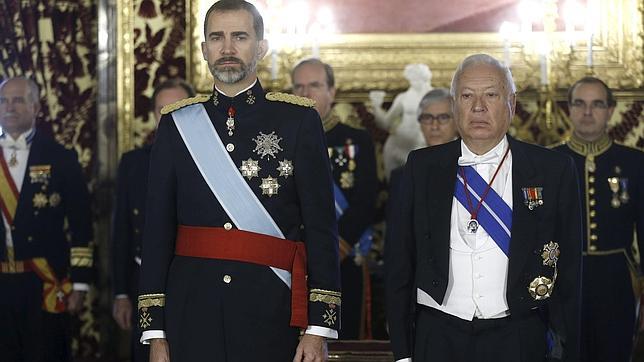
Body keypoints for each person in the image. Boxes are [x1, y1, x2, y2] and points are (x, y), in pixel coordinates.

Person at [137, 1, 341, 361]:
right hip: (192, 312)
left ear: (260, 47)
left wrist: (318, 328)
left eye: (240, 37)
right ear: (204, 49)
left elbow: (322, 229)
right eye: (217, 38)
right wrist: (155, 331)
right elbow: (156, 232)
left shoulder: (298, 121)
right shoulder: (177, 125)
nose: (227, 48)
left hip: (273, 312)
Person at [385, 54, 582, 362]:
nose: (478, 107)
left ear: (512, 104)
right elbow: (399, 264)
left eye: (491, 94)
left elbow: (570, 269)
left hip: (518, 336)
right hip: (438, 337)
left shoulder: (552, 169)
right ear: (454, 105)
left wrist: (567, 348)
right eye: (467, 96)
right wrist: (402, 353)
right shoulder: (421, 167)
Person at [0, 77, 93, 361]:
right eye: (4, 101)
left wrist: (79, 283)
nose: (9, 107)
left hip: (43, 281)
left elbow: (81, 223)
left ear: (36, 107)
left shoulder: (60, 157)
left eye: (18, 100)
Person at [552, 76, 644, 362]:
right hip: (564, 282)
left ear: (610, 110)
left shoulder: (635, 163)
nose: (587, 112)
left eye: (597, 104)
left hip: (617, 279)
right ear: (569, 109)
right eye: (579, 104)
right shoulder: (549, 162)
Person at [292, 58, 378, 339]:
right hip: (298, 258)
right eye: (299, 86)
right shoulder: (283, 140)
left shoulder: (357, 140)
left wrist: (336, 245)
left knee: (345, 335)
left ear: (332, 91)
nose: (306, 94)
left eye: (315, 85)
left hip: (344, 256)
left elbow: (367, 199)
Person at [111, 78, 195, 362]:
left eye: (178, 109)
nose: (169, 117)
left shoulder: (215, 164)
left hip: (198, 283)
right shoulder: (133, 163)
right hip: (144, 283)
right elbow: (121, 231)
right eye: (162, 110)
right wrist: (121, 293)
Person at [369, 63, 432, 178]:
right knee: (398, 186)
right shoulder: (403, 98)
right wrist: (376, 106)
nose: (414, 81)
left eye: (417, 77)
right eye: (412, 78)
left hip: (425, 146)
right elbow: (385, 123)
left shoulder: (436, 97)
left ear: (425, 77)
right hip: (399, 145)